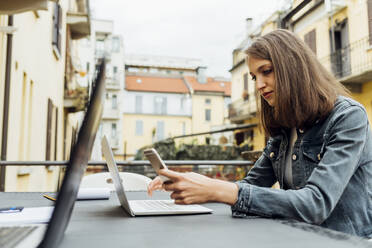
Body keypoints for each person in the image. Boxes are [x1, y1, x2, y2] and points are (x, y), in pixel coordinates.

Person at [147, 29, 372, 239]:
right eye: (254, 77)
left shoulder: (348, 118)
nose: (259, 85)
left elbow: (316, 203)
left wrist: (216, 188)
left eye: (266, 71)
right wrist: (189, 182)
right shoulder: (285, 128)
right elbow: (252, 185)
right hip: (299, 238)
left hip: (345, 241)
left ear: (293, 68)